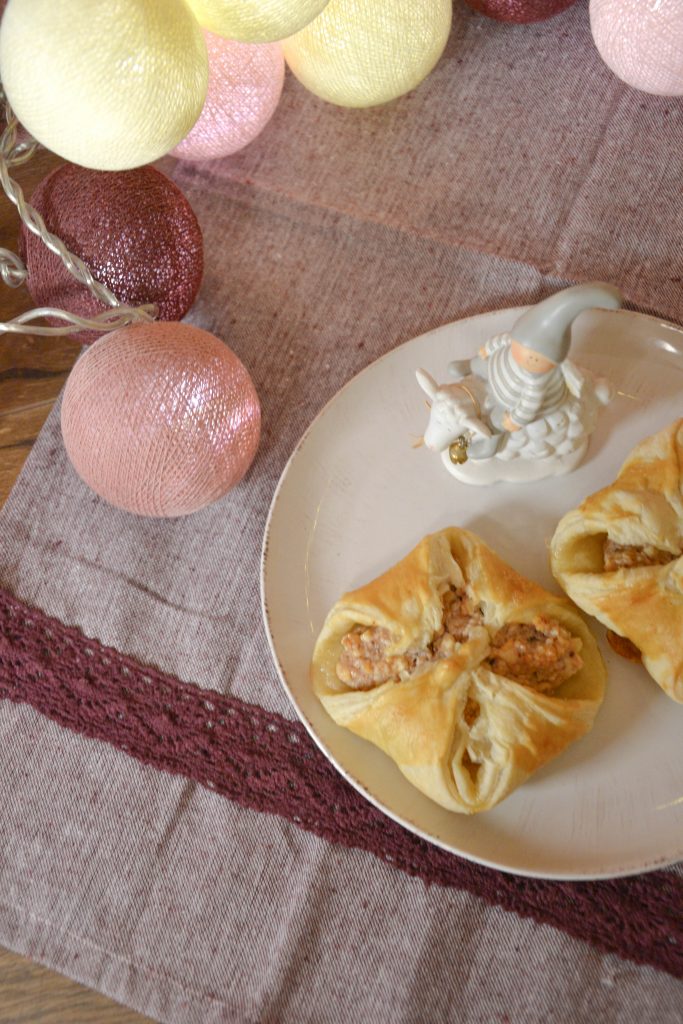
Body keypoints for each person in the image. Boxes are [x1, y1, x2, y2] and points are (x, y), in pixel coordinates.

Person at [449, 282, 622, 436]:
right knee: (481, 362)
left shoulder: (536, 384)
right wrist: (487, 350)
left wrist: (515, 420)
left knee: (498, 420)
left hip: (509, 399)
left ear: (554, 362)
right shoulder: (512, 340)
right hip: (498, 366)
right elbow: (502, 340)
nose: (529, 359)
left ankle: (490, 437)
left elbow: (528, 407)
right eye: (524, 349)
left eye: (538, 359)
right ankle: (469, 366)